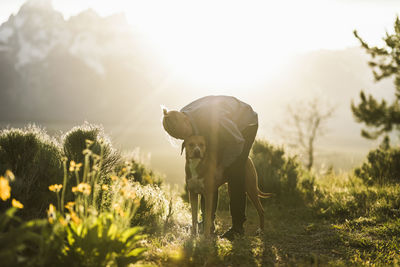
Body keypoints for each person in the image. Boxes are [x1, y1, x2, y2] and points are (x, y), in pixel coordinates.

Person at [162, 95, 258, 240]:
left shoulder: (211, 119)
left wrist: (222, 167)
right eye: (181, 138)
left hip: (245, 124)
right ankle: (207, 223)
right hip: (221, 129)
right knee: (208, 172)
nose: (187, 138)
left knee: (235, 170)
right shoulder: (178, 118)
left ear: (186, 121)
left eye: (185, 134)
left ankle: (238, 228)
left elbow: (237, 142)